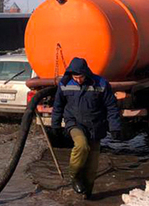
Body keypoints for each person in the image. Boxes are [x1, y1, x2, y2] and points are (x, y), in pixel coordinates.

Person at [50, 57, 120, 198]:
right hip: (74, 122)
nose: (78, 80)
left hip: (95, 125)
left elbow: (111, 107)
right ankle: (74, 176)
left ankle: (87, 193)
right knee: (82, 146)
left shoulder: (101, 84)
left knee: (92, 165)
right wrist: (55, 125)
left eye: (80, 77)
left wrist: (115, 127)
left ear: (86, 73)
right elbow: (58, 106)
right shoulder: (65, 84)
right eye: (75, 77)